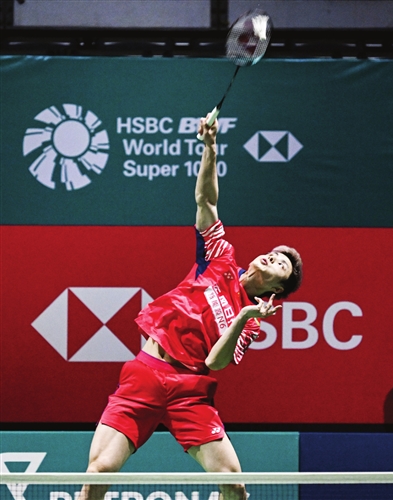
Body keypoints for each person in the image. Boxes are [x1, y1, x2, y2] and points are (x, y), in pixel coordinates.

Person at [79, 117, 303, 500]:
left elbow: (215, 362)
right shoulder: (220, 256)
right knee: (98, 472)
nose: (273, 257)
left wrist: (244, 316)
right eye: (274, 253)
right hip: (146, 374)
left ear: (277, 289)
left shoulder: (251, 324)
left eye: (282, 264)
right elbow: (206, 201)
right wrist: (210, 147)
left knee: (234, 485)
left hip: (190, 392)